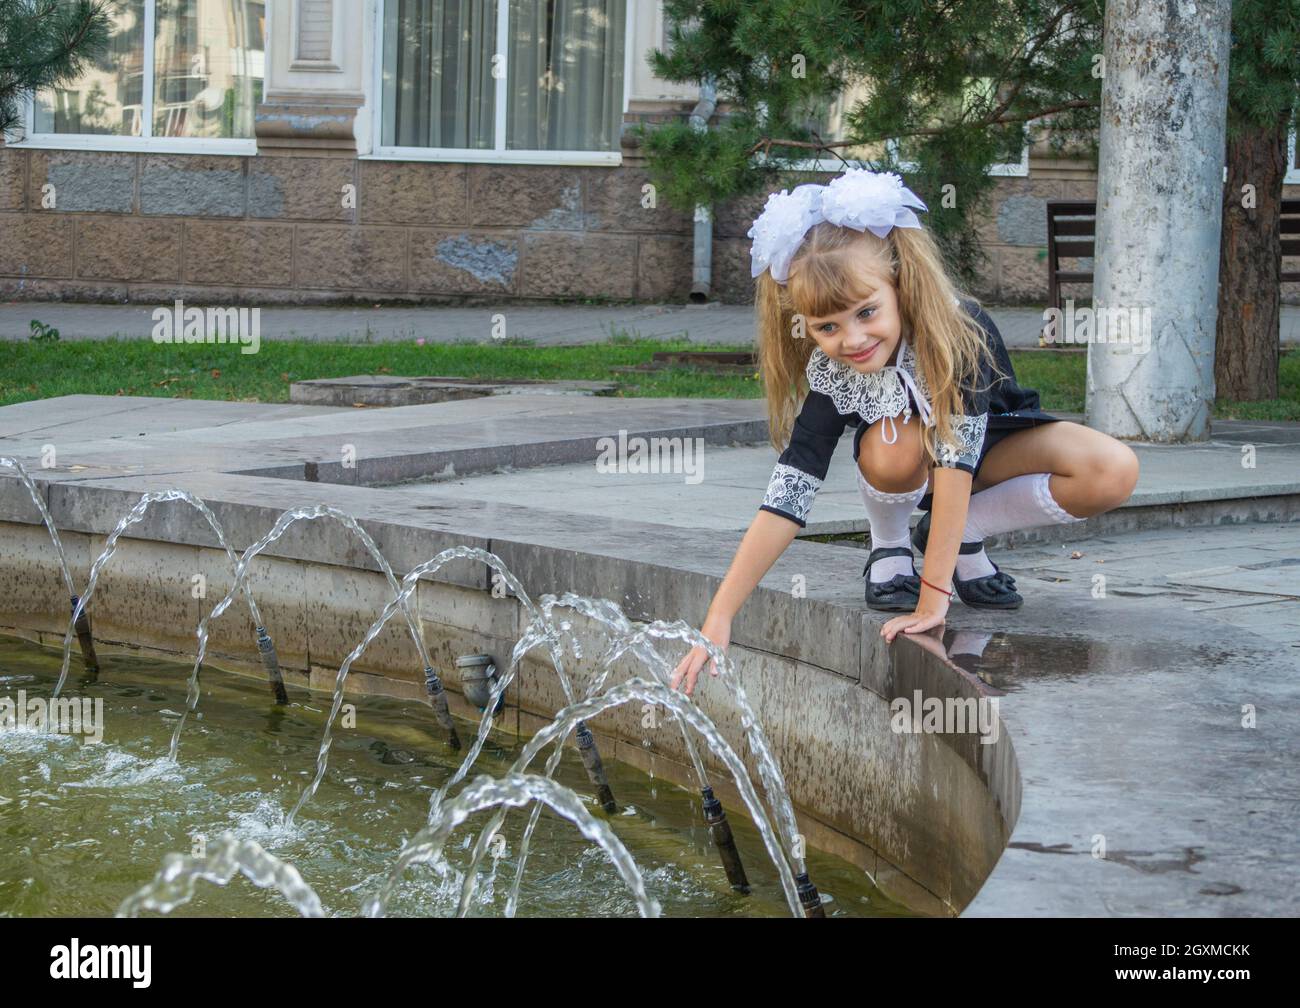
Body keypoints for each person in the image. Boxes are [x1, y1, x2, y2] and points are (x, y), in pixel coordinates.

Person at [671, 169, 1138, 696]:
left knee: (1113, 468)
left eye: (867, 312)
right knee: (894, 442)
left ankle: (958, 534)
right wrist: (720, 615)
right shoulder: (837, 376)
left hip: (990, 445)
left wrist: (934, 599)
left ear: (900, 284)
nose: (852, 338)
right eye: (827, 327)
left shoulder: (959, 330)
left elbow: (957, 461)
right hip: (909, 462)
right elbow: (788, 494)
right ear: (804, 323)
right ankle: (890, 547)